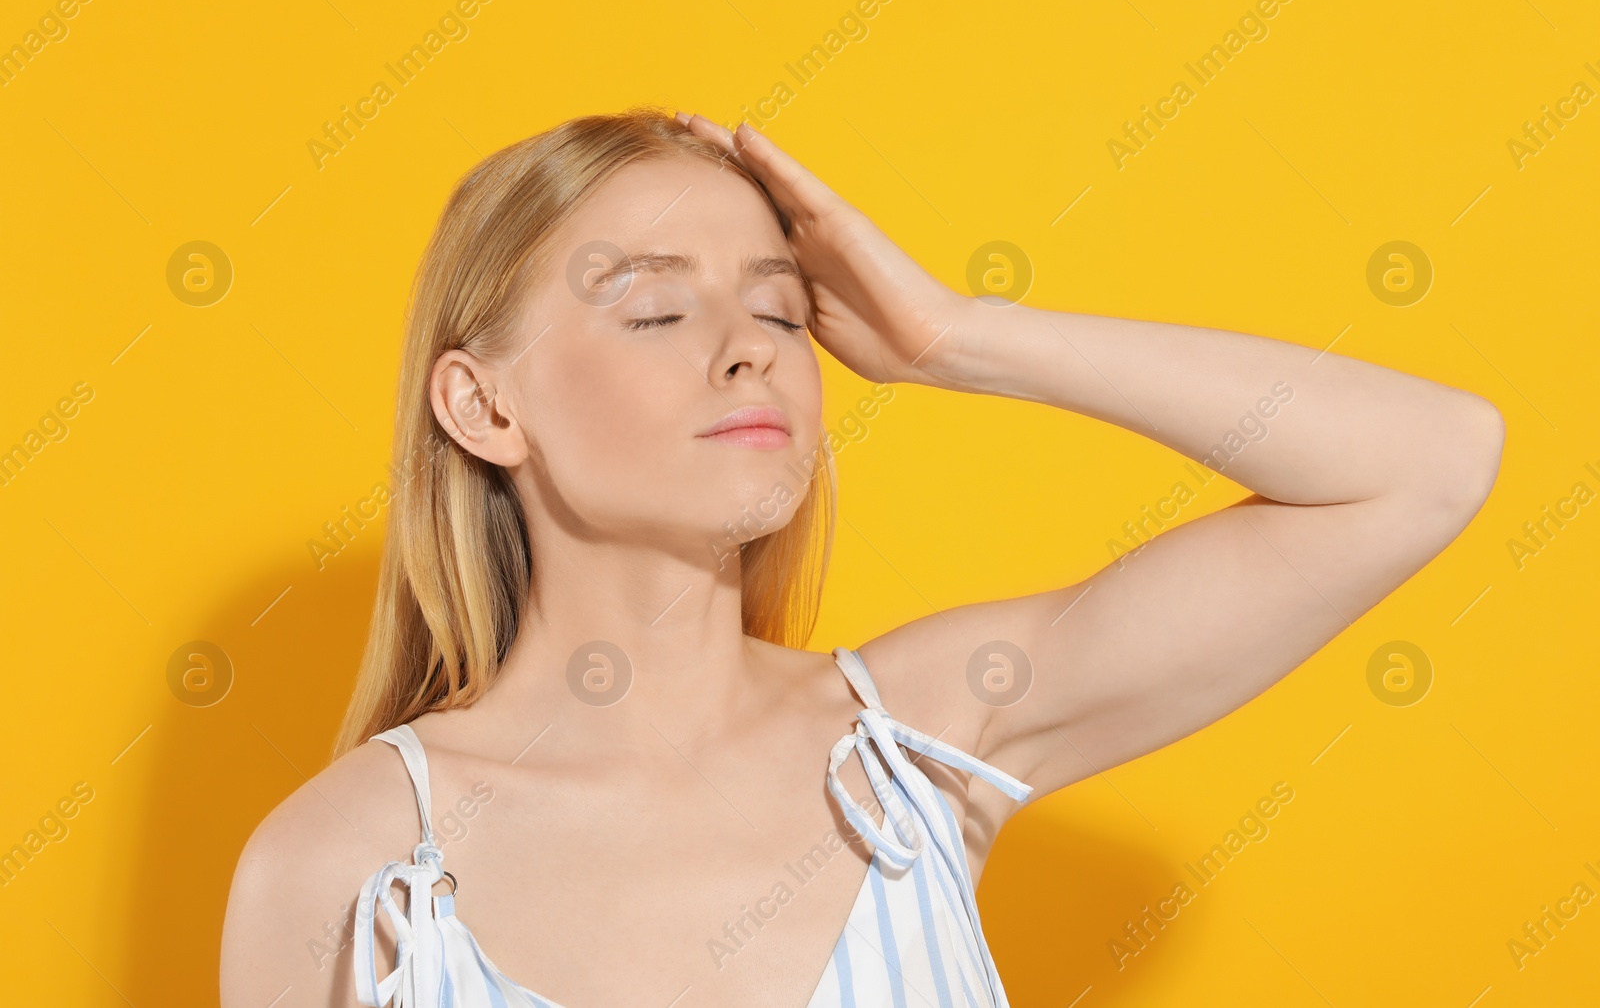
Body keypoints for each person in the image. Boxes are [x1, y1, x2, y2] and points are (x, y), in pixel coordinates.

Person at [219, 107, 1504, 1007]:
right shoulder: (345, 868)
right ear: (483, 406)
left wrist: (958, 335)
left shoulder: (923, 743)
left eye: (779, 306)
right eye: (658, 307)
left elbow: (1428, 458)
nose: (748, 345)